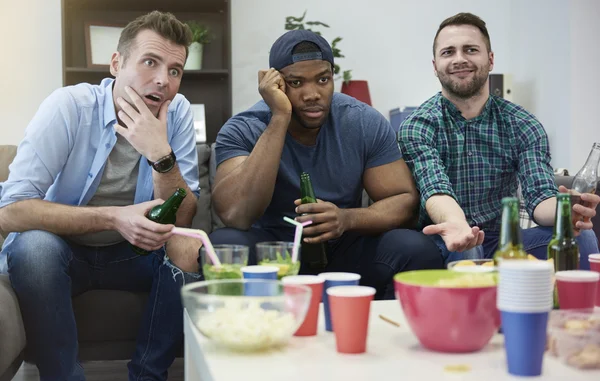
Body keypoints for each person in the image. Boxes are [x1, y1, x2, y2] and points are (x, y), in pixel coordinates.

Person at [0, 11, 202, 381]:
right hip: (66, 251)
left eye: (175, 70)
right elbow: (10, 210)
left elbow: (184, 218)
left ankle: (147, 375)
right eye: (150, 62)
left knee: (187, 247)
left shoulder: (179, 113)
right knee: (33, 249)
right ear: (116, 64)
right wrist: (114, 217)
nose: (163, 80)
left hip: (135, 255)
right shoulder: (69, 107)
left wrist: (160, 154)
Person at [208, 29, 444, 300]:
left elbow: (404, 201)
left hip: (343, 249)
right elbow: (236, 214)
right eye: (296, 83)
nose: (313, 94)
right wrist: (279, 117)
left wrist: (347, 218)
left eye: (322, 79)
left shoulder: (362, 121)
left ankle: (387, 338)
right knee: (225, 245)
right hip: (273, 254)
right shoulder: (243, 128)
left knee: (415, 247)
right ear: (276, 85)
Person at [398, 12, 600, 268]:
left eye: (470, 50)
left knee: (582, 238)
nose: (459, 59)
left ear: (490, 59)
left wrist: (565, 211)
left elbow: (539, 196)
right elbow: (434, 187)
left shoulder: (523, 123)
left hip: (505, 241)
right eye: (448, 52)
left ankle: (573, 308)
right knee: (468, 248)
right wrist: (459, 225)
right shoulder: (418, 125)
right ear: (435, 65)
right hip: (444, 240)